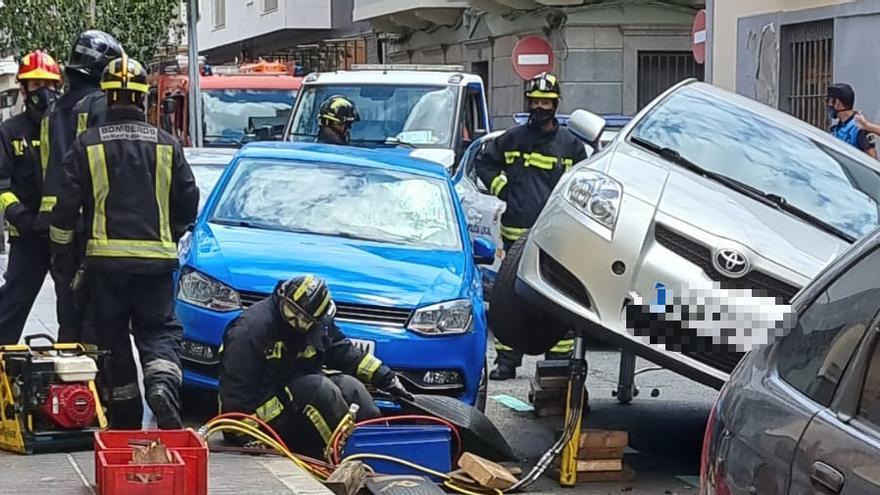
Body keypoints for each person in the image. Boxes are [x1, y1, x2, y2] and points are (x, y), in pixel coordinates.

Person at [49, 55, 199, 429]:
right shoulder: (166, 145)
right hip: (156, 267)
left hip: (106, 267)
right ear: (142, 98)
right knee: (159, 332)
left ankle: (126, 418)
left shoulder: (87, 145)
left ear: (107, 97)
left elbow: (65, 209)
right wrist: (173, 232)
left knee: (111, 339)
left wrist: (64, 258)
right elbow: (188, 198)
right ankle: (162, 384)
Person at [219, 274, 413, 458]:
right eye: (290, 311)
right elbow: (235, 391)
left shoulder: (318, 326)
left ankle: (381, 452)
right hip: (255, 419)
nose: (293, 320)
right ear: (282, 297)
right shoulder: (250, 330)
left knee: (351, 387)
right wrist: (246, 435)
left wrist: (387, 378)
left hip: (292, 399)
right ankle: (344, 456)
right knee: (318, 389)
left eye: (302, 320)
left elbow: (345, 352)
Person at [475, 72, 587, 381]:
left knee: (557, 297)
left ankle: (559, 361)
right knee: (512, 298)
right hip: (517, 236)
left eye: (546, 102)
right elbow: (484, 162)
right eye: (536, 101)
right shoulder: (512, 139)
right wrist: (502, 189)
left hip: (556, 238)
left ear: (555, 104)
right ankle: (507, 360)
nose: (540, 107)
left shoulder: (570, 146)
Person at [39, 30, 123, 343]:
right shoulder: (99, 105)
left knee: (68, 312)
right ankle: (94, 383)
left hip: (58, 229)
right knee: (96, 318)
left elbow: (48, 167)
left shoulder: (51, 112)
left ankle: (67, 382)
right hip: (90, 226)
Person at [0, 51, 62, 344]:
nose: (44, 93)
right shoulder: (10, 132)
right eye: (36, 86)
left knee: (76, 309)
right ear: (23, 89)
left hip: (64, 237)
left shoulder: (67, 129)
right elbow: (1, 186)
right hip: (27, 237)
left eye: (48, 85)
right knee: (11, 306)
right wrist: (21, 218)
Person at [826, 83, 877, 158]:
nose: (828, 105)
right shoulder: (837, 128)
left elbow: (873, 159)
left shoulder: (859, 127)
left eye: (829, 101)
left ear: (837, 103)